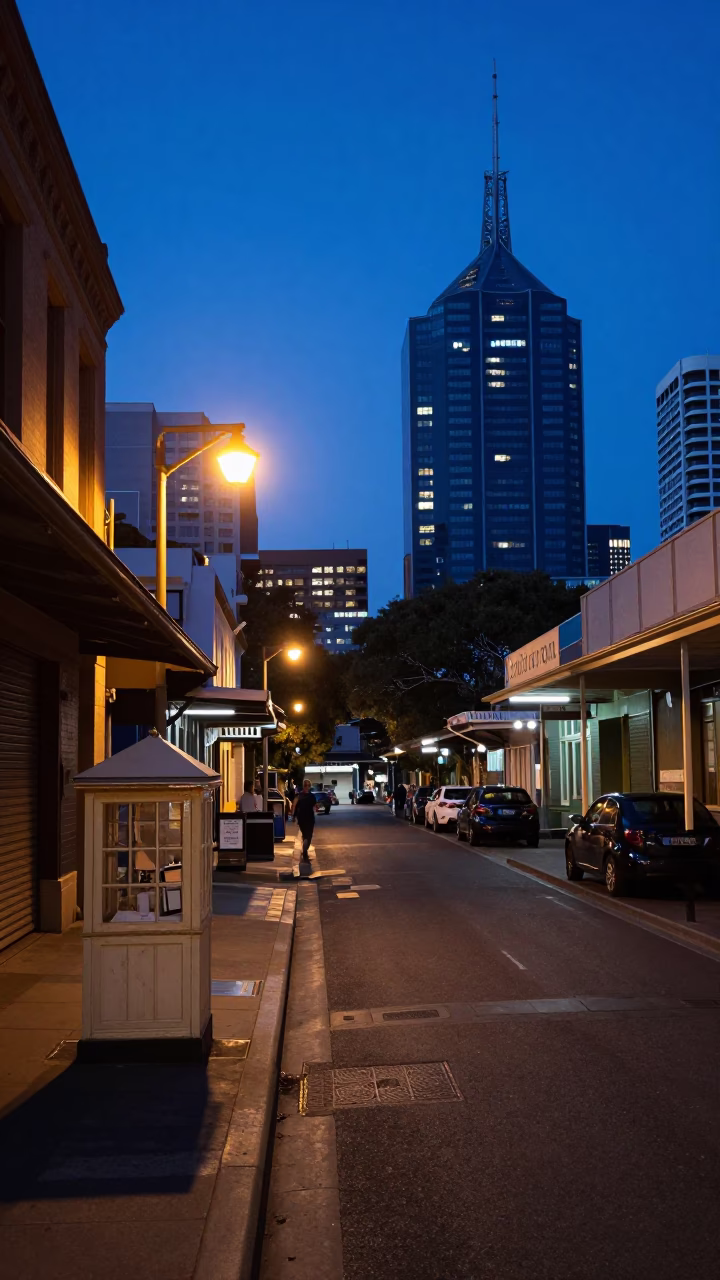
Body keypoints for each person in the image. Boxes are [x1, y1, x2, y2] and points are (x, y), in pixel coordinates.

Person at [292, 778, 319, 860]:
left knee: (308, 836)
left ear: (310, 786)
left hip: (310, 818)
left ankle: (305, 850)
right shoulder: (299, 796)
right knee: (306, 835)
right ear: (303, 786)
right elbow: (294, 805)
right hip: (302, 818)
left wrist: (317, 807)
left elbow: (315, 806)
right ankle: (305, 851)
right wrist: (293, 815)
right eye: (305, 785)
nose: (306, 787)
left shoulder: (312, 796)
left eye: (308, 785)